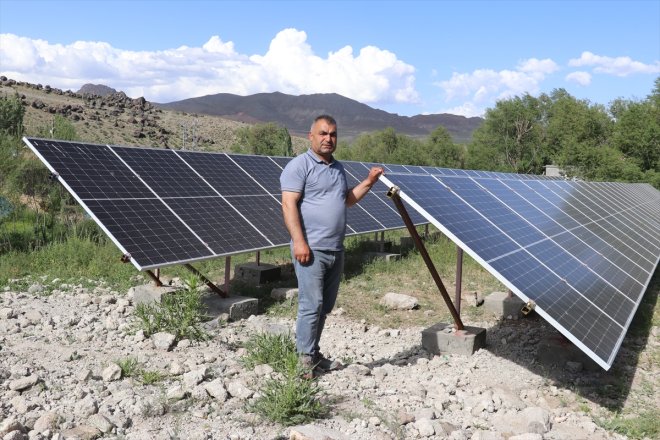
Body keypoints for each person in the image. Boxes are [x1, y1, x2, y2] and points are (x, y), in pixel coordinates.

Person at [280, 114, 384, 377]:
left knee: (324, 306)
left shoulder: (338, 168)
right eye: (323, 133)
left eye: (333, 134)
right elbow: (288, 204)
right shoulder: (299, 166)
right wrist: (300, 242)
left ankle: (314, 355)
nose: (328, 139)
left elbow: (347, 199)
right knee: (310, 304)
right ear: (311, 136)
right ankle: (303, 360)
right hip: (311, 249)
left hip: (335, 248)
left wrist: (369, 181)